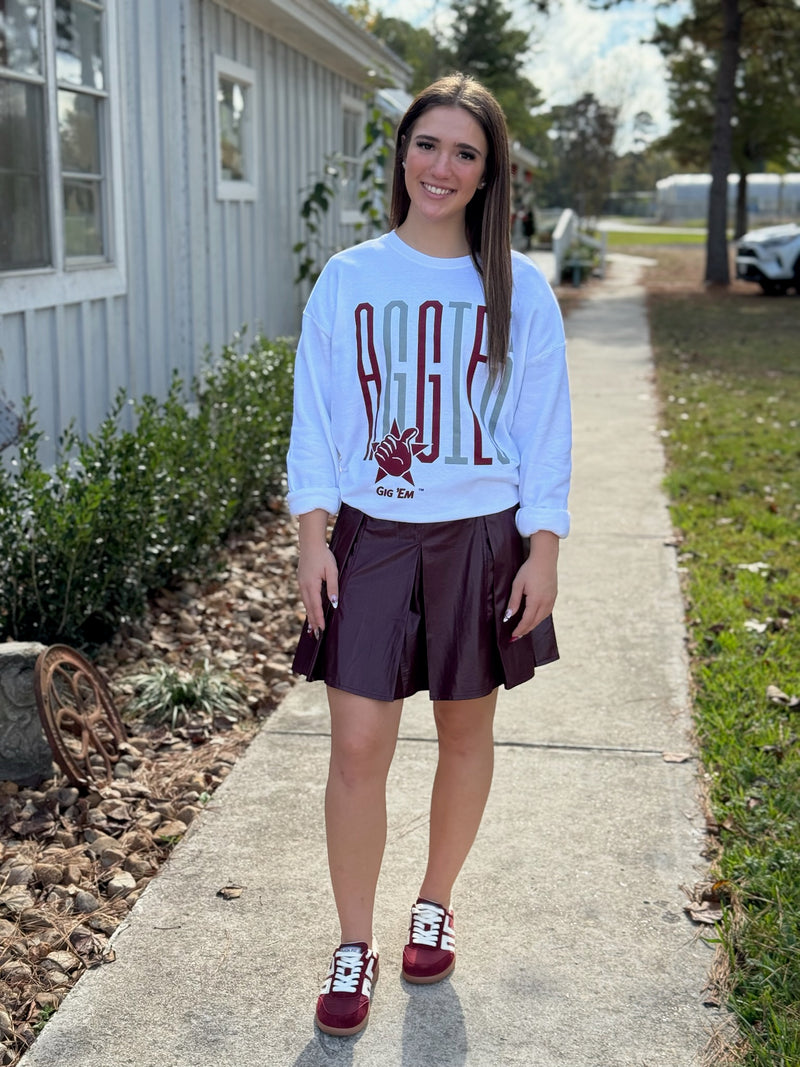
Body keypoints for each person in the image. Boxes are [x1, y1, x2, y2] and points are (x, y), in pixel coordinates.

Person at [286, 72, 571, 1037]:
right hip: (370, 535)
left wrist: (543, 549)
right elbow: (316, 420)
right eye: (427, 144)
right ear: (401, 153)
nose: (441, 167)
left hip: (482, 537)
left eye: (465, 152)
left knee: (463, 733)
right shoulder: (350, 278)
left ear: (488, 174)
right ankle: (353, 943)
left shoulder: (519, 290)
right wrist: (313, 537)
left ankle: (435, 901)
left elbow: (545, 430)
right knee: (357, 746)